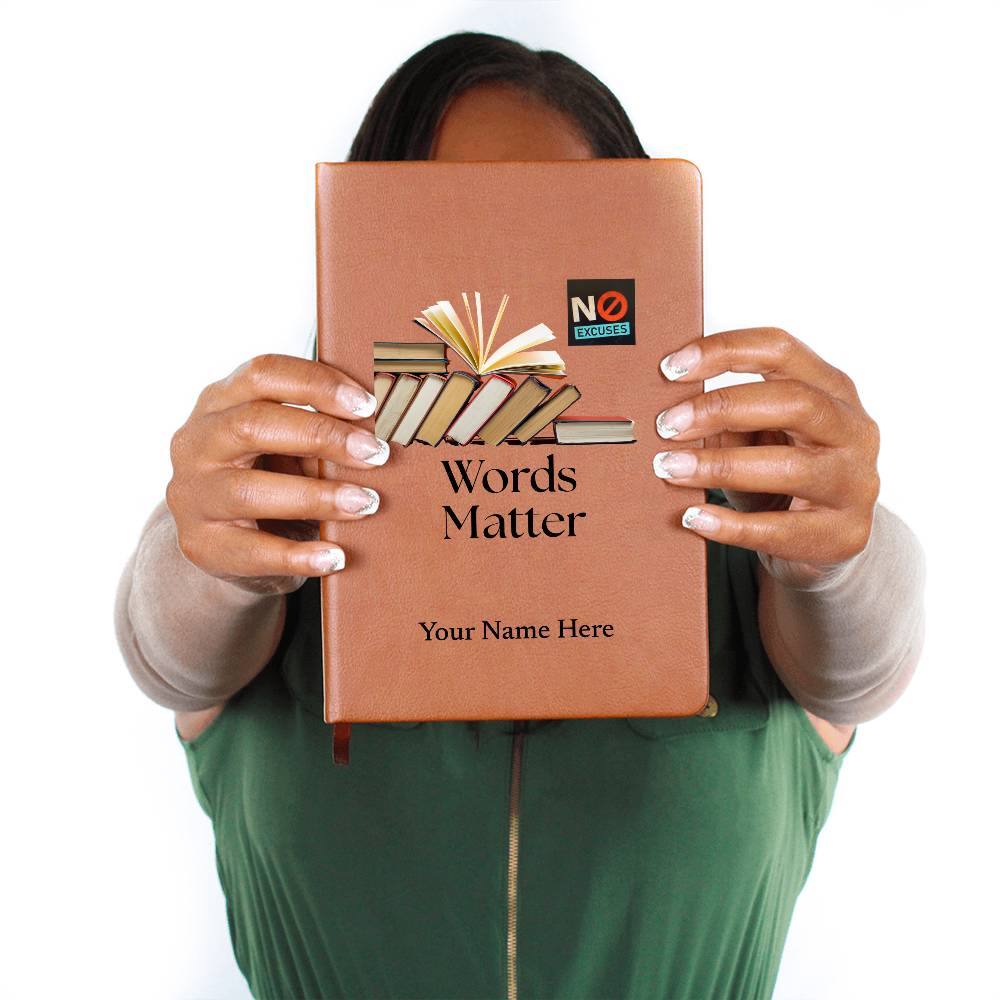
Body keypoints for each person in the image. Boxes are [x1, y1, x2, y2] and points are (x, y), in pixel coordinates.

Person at [114, 31, 926, 1000]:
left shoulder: (750, 534)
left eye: (555, 234)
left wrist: (843, 553)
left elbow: (865, 661)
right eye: (451, 237)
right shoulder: (275, 529)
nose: (505, 300)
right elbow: (165, 650)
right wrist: (203, 552)